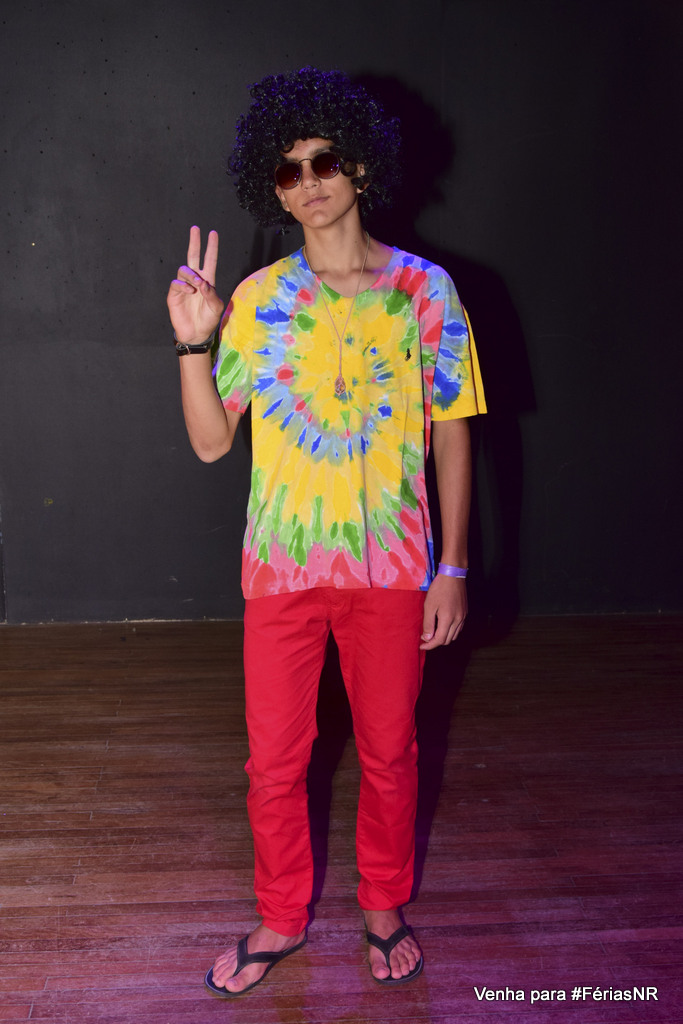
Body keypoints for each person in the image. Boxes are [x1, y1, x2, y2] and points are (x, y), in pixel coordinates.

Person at [166, 66, 486, 997]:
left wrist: (453, 565)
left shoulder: (426, 292)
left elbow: (452, 434)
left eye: (323, 160)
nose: (306, 181)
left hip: (393, 570)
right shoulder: (255, 300)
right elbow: (210, 442)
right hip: (281, 572)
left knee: (390, 752)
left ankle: (383, 905)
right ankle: (280, 916)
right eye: (287, 169)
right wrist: (192, 342)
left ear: (361, 166)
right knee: (273, 762)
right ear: (271, 189)